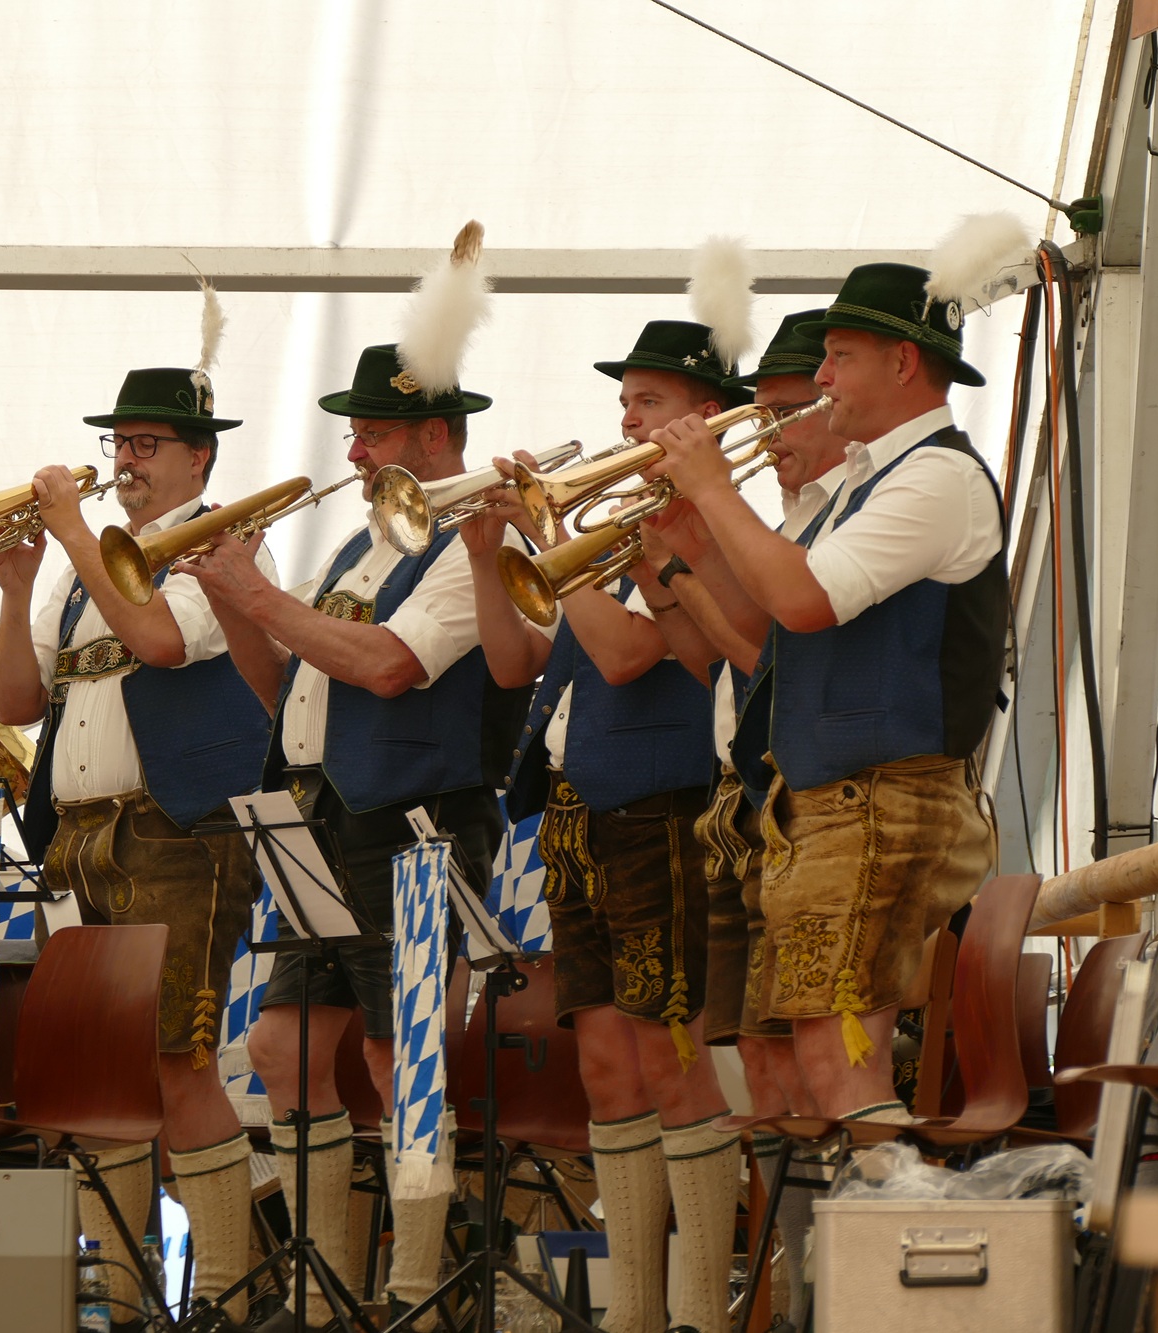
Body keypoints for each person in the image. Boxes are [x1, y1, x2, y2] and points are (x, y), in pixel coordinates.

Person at [191, 340, 532, 1330]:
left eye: (372, 431)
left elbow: (389, 666)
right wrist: (230, 595)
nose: (351, 451)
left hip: (414, 820)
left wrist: (261, 596)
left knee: (399, 1057)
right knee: (280, 1047)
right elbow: (283, 686)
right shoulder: (360, 546)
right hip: (320, 813)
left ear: (435, 433)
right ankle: (319, 1296)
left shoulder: (473, 537)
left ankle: (415, 1293)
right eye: (352, 432)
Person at [649, 263, 1005, 1125]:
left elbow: (805, 599)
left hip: (882, 798)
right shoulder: (858, 481)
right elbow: (769, 630)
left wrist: (713, 489)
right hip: (831, 802)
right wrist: (695, 541)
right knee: (809, 1062)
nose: (822, 376)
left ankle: (891, 1207)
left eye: (840, 356)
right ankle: (856, 1212)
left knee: (838, 1057)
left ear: (904, 363)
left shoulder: (936, 476)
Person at [468, 319, 746, 1333]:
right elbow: (518, 663)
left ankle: (696, 1311)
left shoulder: (704, 531)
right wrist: (489, 553)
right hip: (579, 812)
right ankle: (631, 1311)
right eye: (624, 401)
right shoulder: (625, 526)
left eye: (649, 402)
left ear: (706, 417)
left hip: (661, 809)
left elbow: (629, 654)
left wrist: (553, 540)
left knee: (671, 1058)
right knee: (604, 1066)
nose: (626, 420)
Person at [0, 360, 272, 1325]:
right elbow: (17, 700)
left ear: (200, 457)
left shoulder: (219, 545)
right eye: (120, 442)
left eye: (147, 444)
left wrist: (73, 532)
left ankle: (223, 1294)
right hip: (79, 838)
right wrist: (18, 587)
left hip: (175, 832)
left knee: (180, 1061)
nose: (125, 460)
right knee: (103, 1069)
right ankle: (116, 1296)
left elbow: (160, 643)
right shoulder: (82, 569)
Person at [649, 309, 851, 1319]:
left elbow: (766, 659)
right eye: (760, 414)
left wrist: (681, 569)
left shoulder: (835, 517)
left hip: (796, 802)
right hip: (745, 799)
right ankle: (779, 1287)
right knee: (746, 1056)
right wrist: (673, 567)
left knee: (799, 1058)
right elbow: (724, 663)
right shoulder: (787, 516)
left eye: (783, 412)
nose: (767, 436)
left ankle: (818, 1291)